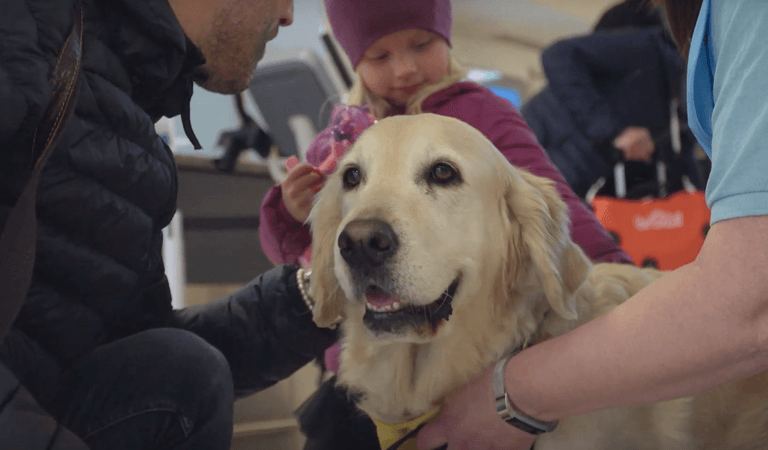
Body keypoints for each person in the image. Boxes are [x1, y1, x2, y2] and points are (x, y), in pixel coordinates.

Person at [257, 0, 632, 448]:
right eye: (381, 56)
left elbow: (543, 198)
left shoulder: (482, 116)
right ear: (355, 62)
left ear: (446, 41)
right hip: (362, 372)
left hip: (463, 374)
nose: (405, 68)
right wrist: (289, 214)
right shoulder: (339, 140)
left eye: (422, 44)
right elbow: (312, 252)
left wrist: (617, 279)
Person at [415, 0, 768, 449]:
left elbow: (750, 299)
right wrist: (610, 131)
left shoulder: (741, 16)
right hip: (569, 168)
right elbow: (558, 57)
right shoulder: (650, 48)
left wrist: (511, 394)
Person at [0, 0, 341, 449]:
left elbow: (147, 352)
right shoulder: (22, 39)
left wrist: (322, 294)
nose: (287, 16)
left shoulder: (131, 132)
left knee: (183, 372)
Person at [521, 0, 703, 199]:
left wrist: (707, 202)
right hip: (539, 151)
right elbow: (557, 56)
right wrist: (614, 133)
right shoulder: (651, 48)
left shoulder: (679, 99)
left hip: (576, 182)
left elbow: (679, 156)